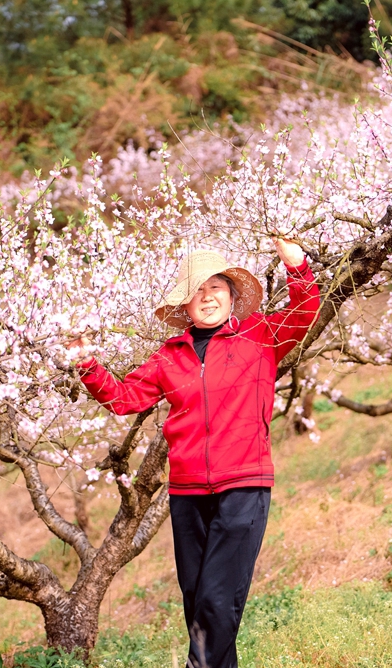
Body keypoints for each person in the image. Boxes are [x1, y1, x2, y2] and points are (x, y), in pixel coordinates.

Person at [68, 239, 319, 668]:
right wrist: (88, 366)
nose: (207, 297)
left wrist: (297, 267)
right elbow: (124, 398)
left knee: (218, 600)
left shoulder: (259, 335)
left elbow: (303, 313)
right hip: (187, 494)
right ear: (185, 304)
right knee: (198, 602)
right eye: (198, 291)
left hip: (244, 485)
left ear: (232, 296)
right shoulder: (169, 356)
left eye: (216, 288)